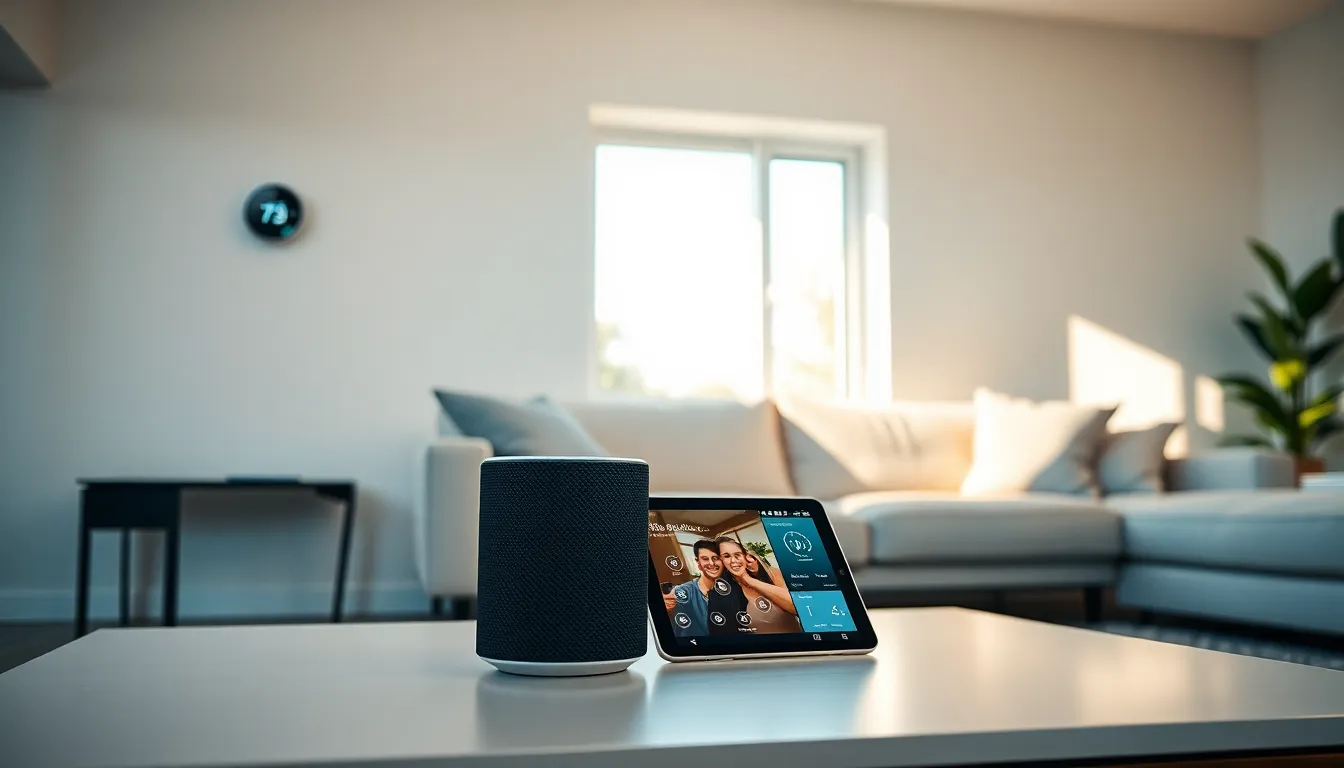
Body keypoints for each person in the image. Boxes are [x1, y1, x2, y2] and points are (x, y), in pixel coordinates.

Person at [717, 537, 802, 634]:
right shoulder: (725, 589)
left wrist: (748, 579)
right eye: (726, 556)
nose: (733, 560)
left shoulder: (771, 573)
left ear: (747, 556)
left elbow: (798, 607)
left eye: (737, 554)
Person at [662, 539, 745, 637]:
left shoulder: (734, 589)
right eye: (705, 559)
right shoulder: (685, 591)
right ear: (698, 562)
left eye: (716, 558)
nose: (711, 563)